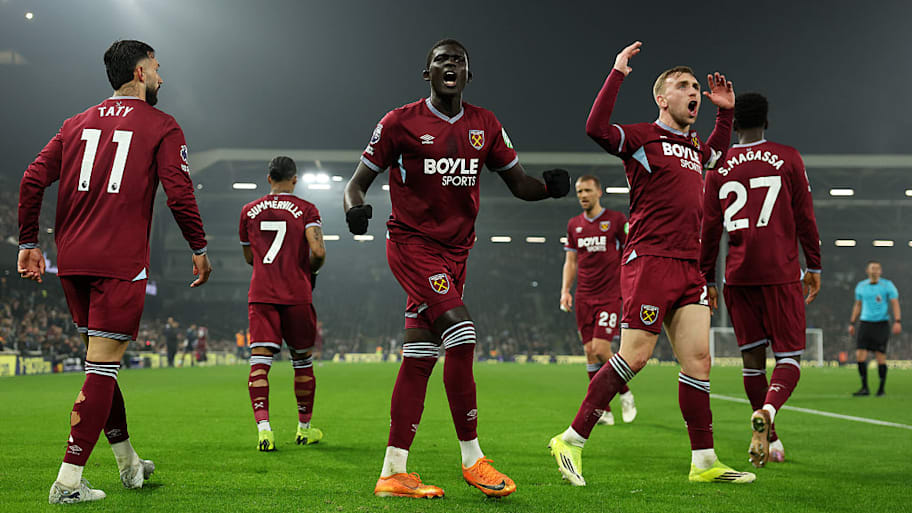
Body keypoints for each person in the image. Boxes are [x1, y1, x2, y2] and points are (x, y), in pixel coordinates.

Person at [344, 39, 570, 499]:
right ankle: (473, 459)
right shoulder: (398, 122)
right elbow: (356, 183)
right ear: (426, 73)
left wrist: (548, 187)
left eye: (458, 61)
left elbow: (519, 182)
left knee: (420, 358)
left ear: (469, 75)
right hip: (411, 245)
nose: (450, 65)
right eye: (441, 60)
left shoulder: (485, 124)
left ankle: (393, 472)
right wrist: (355, 208)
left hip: (456, 253)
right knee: (462, 335)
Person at [547, 41, 756, 486]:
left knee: (699, 361)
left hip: (689, 265)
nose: (694, 92)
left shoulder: (695, 145)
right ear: (663, 98)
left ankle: (704, 462)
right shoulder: (644, 137)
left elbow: (716, 155)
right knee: (636, 357)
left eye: (696, 86)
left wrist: (725, 113)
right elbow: (596, 127)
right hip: (650, 260)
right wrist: (617, 72)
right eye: (684, 86)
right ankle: (571, 439)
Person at [17, 40, 212, 504]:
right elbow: (179, 193)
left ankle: (128, 463)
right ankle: (67, 482)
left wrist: (29, 242)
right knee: (102, 368)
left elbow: (30, 179)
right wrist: (199, 247)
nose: (162, 78)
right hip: (119, 264)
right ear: (141, 73)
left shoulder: (75, 123)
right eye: (158, 69)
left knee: (100, 367)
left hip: (73, 262)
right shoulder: (162, 125)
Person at [700, 92, 822, 467]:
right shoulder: (787, 157)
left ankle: (772, 438)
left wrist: (708, 278)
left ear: (734, 125)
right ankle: (768, 413)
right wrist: (814, 265)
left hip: (737, 275)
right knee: (790, 357)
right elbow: (805, 216)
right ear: (767, 122)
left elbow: (709, 229)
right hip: (781, 272)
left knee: (752, 362)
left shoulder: (718, 168)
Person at [240, 156, 326, 451]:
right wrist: (309, 269)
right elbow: (319, 252)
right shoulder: (306, 209)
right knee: (302, 361)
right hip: (296, 293)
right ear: (295, 179)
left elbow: (249, 257)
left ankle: (264, 430)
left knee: (260, 362)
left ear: (268, 179)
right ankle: (304, 428)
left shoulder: (248, 211)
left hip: (262, 293)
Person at [560, 175, 636, 426]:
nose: (583, 195)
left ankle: (625, 394)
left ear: (599, 192)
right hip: (584, 296)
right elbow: (571, 261)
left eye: (587, 190)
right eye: (579, 191)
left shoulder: (615, 221)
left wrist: (630, 285)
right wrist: (565, 290)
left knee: (601, 349)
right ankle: (604, 411)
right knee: (589, 354)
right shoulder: (574, 225)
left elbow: (629, 254)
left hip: (609, 295)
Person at [849, 261, 901, 396]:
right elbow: (858, 305)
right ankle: (864, 388)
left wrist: (897, 321)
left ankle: (881, 389)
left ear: (881, 271)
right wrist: (852, 322)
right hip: (865, 323)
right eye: (872, 268)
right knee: (860, 356)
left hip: (881, 324)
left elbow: (894, 303)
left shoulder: (887, 285)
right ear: (867, 270)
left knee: (880, 357)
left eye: (877, 268)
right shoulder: (861, 286)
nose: (875, 270)